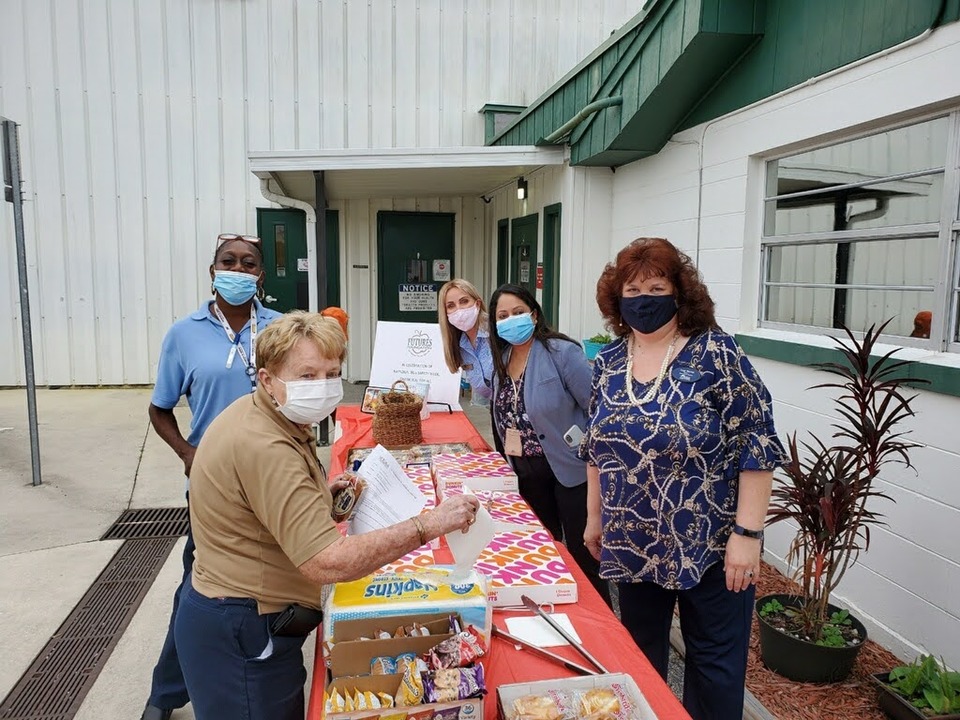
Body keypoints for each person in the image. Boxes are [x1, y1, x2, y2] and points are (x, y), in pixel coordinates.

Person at [174, 312, 480, 720]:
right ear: (267, 379)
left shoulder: (266, 416)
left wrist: (322, 495)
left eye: (331, 373)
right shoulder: (268, 447)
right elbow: (326, 560)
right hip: (243, 628)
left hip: (237, 614)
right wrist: (428, 525)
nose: (321, 386)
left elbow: (263, 503)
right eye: (306, 375)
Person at [580, 238, 787, 720]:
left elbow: (757, 439)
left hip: (711, 543)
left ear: (680, 294)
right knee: (639, 659)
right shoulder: (609, 363)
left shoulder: (716, 354)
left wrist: (748, 535)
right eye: (633, 288)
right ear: (617, 298)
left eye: (657, 286)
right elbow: (596, 446)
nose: (644, 298)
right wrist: (595, 518)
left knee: (715, 665)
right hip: (632, 538)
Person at [141, 233, 282, 720]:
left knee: (270, 585)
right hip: (213, 492)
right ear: (213, 270)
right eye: (229, 262)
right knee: (198, 591)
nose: (238, 271)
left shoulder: (281, 330)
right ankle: (165, 694)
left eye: (248, 264)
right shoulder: (185, 334)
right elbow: (160, 410)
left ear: (260, 276)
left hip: (272, 483)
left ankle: (260, 670)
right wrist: (188, 453)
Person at [488, 284, 611, 605]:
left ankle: (600, 626)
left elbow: (596, 408)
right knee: (542, 553)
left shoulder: (562, 353)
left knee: (585, 558)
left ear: (534, 313)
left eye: (517, 312)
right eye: (502, 316)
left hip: (570, 470)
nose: (511, 320)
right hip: (526, 474)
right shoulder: (501, 360)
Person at [438, 279, 494, 407]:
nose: (459, 310)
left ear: (477, 304)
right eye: (451, 306)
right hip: (486, 406)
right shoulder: (458, 341)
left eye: (464, 301)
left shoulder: (496, 331)